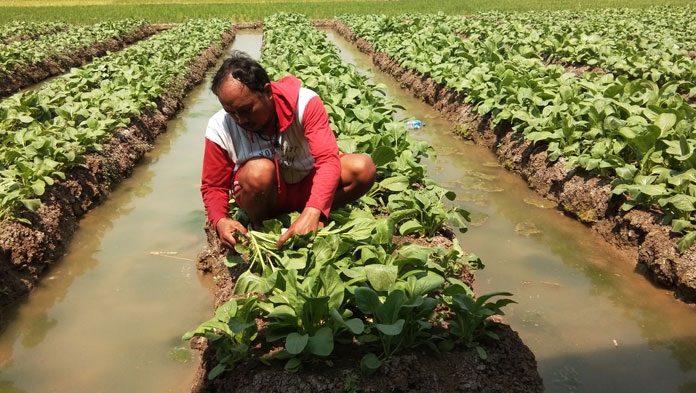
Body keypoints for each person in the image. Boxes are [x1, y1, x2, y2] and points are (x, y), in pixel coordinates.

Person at [200, 51, 376, 249]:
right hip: (262, 196)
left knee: (363, 168)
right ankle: (263, 227)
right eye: (231, 113)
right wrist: (220, 221)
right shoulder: (219, 126)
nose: (240, 120)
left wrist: (314, 209)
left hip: (306, 186)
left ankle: (311, 216)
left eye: (246, 109)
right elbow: (214, 186)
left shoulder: (305, 103)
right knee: (259, 171)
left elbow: (327, 160)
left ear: (267, 92)